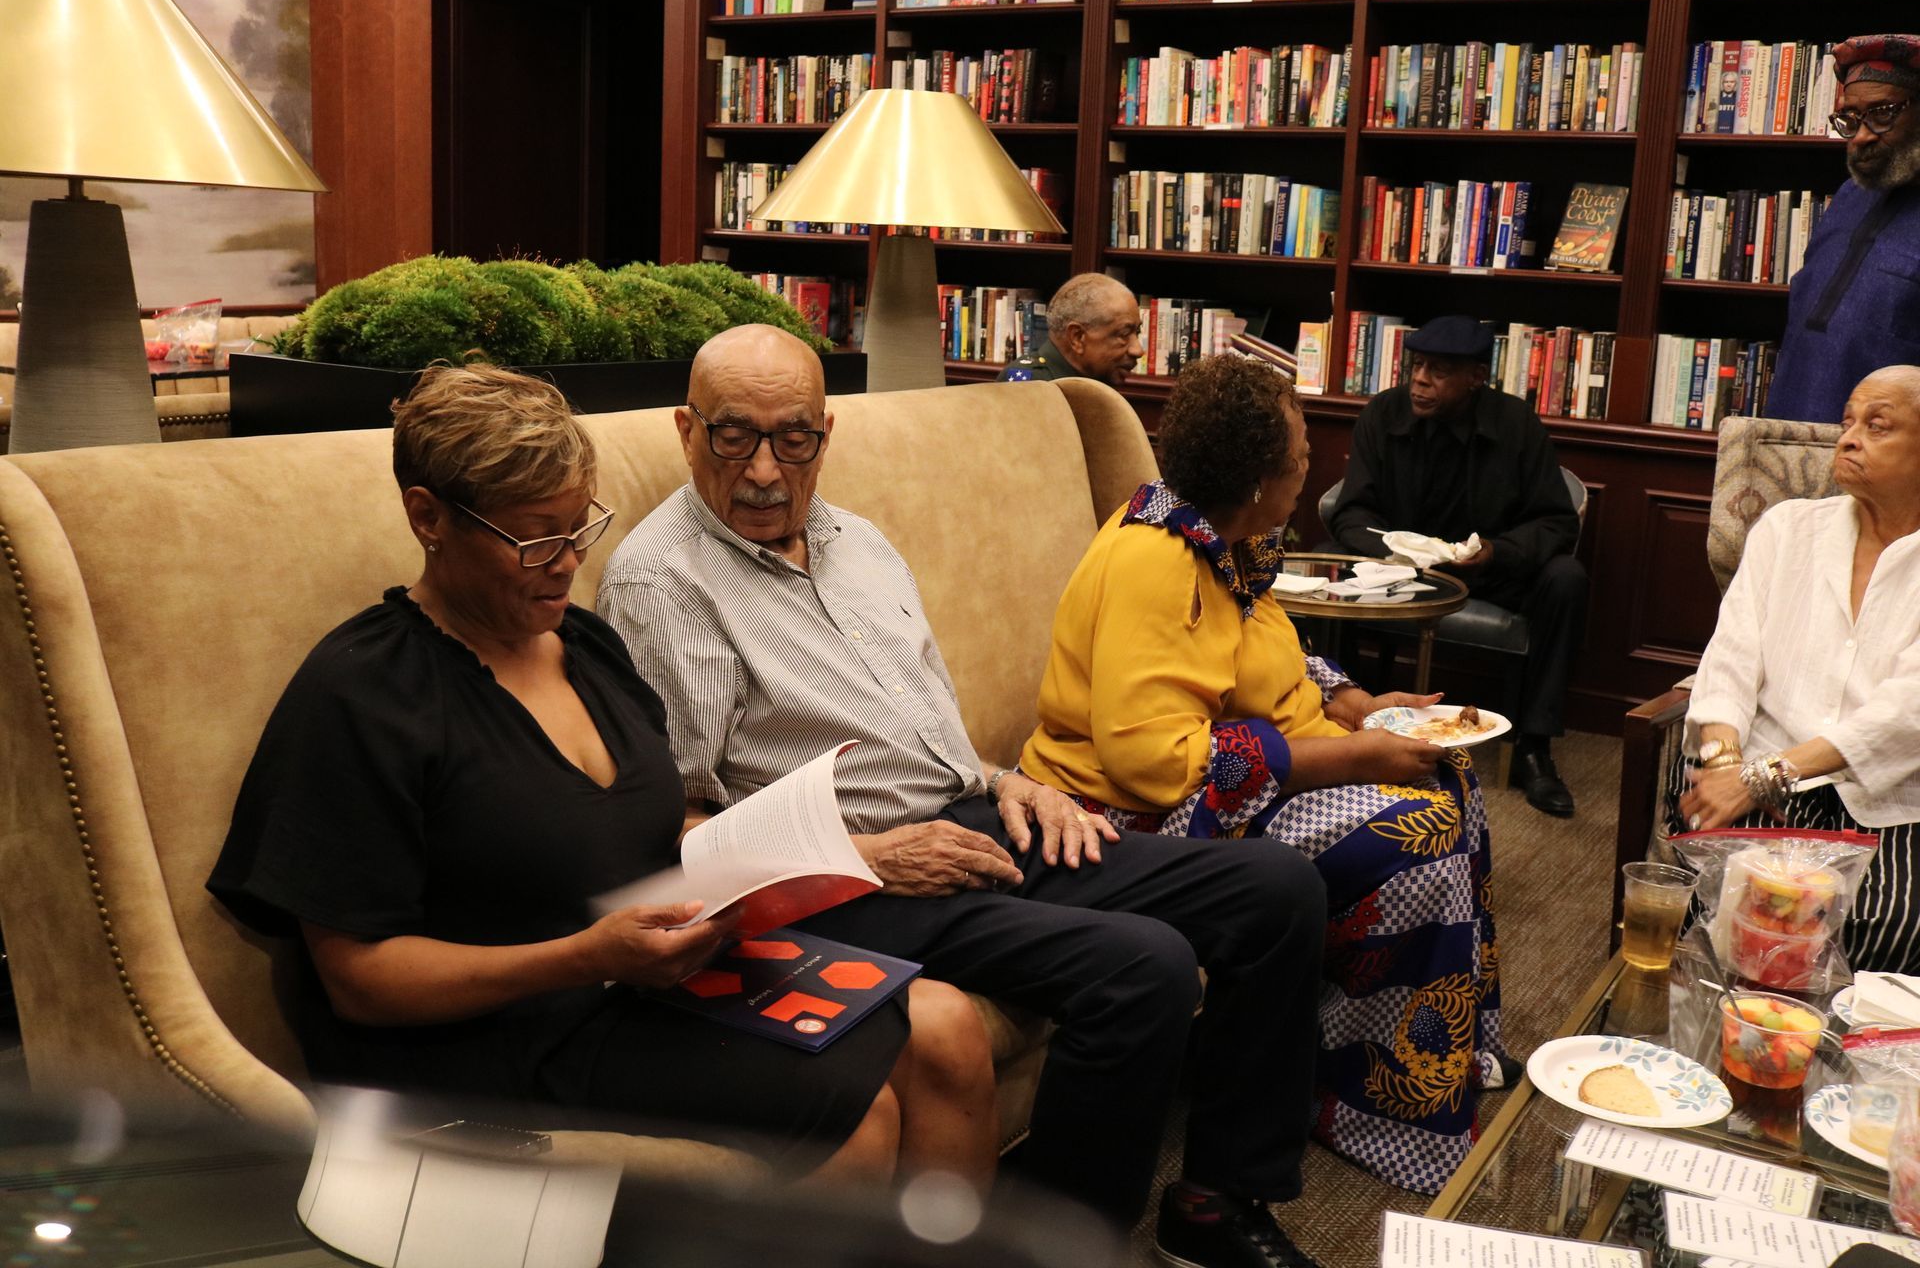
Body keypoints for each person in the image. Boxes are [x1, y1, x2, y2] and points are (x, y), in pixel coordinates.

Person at [600, 324, 1329, 1268]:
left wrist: (1014, 781)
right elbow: (683, 836)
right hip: (847, 881)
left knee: (1276, 891)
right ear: (686, 432)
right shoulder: (664, 584)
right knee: (1142, 966)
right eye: (735, 437)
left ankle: (1216, 1202)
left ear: (826, 433)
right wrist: (875, 855)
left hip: (977, 820)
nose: (767, 472)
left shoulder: (856, 539)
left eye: (794, 439)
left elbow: (924, 731)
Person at [207, 364, 999, 1190]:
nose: (566, 563)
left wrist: (766, 863)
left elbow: (653, 833)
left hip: (638, 981)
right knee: (850, 1112)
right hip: (494, 1034)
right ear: (427, 516)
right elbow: (359, 983)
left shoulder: (587, 648)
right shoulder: (365, 693)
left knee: (946, 1030)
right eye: (533, 538)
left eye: (580, 528)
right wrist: (582, 957)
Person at [1016, 352, 1508, 1196]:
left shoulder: (1225, 540)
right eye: (1302, 457)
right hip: (1126, 811)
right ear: (1256, 482)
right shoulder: (1154, 560)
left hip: (1226, 775)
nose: (1315, 462)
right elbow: (1156, 762)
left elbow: (1271, 654)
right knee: (1414, 830)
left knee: (1449, 780)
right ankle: (1366, 1099)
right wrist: (1356, 756)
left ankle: (1437, 1045)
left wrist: (1353, 701)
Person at [1675, 365, 1920, 972]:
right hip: (1753, 768)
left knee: (1877, 927)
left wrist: (1762, 776)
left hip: (1886, 796)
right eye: (1848, 422)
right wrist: (1727, 767)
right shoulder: (1787, 530)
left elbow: (1906, 713)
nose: (1847, 438)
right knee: (1726, 915)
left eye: (1877, 426)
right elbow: (1730, 657)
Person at [1327, 315, 1588, 818]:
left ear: (1475, 377)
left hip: (1492, 575)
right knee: (1330, 560)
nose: (1420, 380)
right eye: (1417, 365)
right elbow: (1352, 511)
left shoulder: (1515, 425)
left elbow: (1557, 522)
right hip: (1403, 575)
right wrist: (1396, 555)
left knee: (1566, 579)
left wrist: (1496, 552)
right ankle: (1351, 723)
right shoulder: (1384, 414)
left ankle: (1534, 750)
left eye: (1439, 370)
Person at [1768, 36, 1920, 424]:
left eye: (1883, 113)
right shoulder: (1849, 197)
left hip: (1891, 463)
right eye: (1849, 119)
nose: (1863, 136)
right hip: (1791, 437)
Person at [995, 272, 1144, 386]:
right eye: (1124, 334)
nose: (1138, 350)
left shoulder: (1092, 386)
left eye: (1137, 332)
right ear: (1077, 337)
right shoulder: (1029, 384)